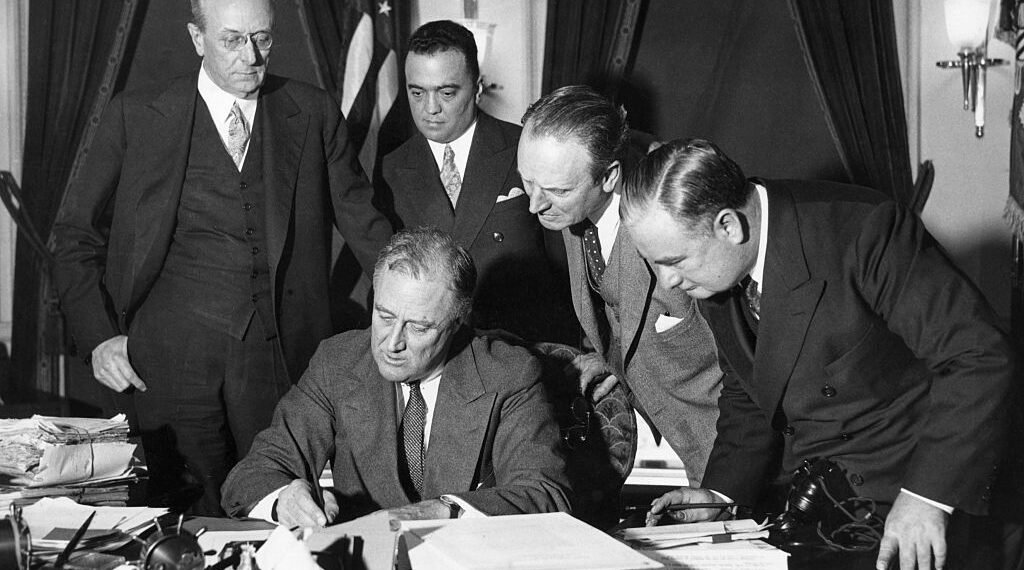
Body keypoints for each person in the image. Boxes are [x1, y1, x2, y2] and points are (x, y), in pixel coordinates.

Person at [51, 0, 392, 515]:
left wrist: (421, 300)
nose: (250, 56)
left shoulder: (313, 110)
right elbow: (74, 235)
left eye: (263, 38)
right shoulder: (137, 115)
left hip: (280, 361)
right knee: (184, 519)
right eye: (232, 40)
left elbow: (365, 225)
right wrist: (98, 336)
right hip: (167, 365)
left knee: (282, 510)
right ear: (197, 39)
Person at [620, 138, 1013, 570]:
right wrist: (721, 495)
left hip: (922, 496)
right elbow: (752, 388)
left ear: (729, 226)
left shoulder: (865, 231)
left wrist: (928, 496)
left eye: (673, 261)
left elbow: (978, 356)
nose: (666, 282)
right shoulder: (716, 268)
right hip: (824, 507)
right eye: (654, 264)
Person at [221, 227, 572, 525]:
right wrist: (285, 497)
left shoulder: (508, 373)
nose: (392, 343)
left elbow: (544, 493)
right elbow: (251, 474)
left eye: (418, 327)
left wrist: (447, 510)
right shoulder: (338, 362)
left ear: (456, 325)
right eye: (384, 315)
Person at [516, 86, 723, 485]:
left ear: (610, 176)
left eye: (557, 191)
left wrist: (728, 479)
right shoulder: (569, 206)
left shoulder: (674, 220)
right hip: (671, 450)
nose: (534, 204)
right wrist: (609, 358)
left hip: (725, 452)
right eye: (528, 182)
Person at [380, 20, 575, 344]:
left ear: (477, 87)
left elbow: (568, 268)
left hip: (527, 346)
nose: (430, 109)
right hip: (438, 354)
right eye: (417, 92)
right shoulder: (389, 169)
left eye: (446, 92)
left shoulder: (525, 148)